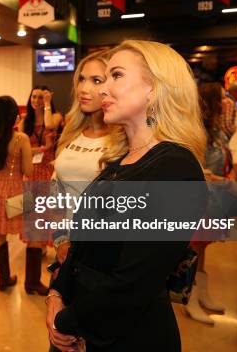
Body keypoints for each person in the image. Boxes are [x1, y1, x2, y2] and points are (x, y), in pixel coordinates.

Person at [46, 40, 207, 352]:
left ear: (155, 89)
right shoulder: (120, 162)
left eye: (115, 76)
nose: (103, 89)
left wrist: (66, 322)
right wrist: (56, 294)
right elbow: (80, 247)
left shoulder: (176, 168)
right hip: (81, 324)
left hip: (125, 338)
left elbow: (134, 281)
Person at [51, 50, 111, 272]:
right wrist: (60, 241)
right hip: (67, 249)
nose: (84, 89)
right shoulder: (70, 132)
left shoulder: (124, 139)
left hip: (104, 253)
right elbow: (55, 194)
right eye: (82, 79)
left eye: (96, 80)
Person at [183, 82, 230, 324]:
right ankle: (189, 297)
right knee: (194, 246)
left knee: (203, 247)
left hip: (214, 193)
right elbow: (194, 164)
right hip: (200, 192)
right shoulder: (196, 128)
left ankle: (202, 294)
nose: (225, 101)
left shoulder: (216, 128)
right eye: (221, 97)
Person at [0, 96, 35, 292]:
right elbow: (28, 170)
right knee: (32, 233)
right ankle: (33, 280)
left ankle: (3, 278)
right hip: (16, 193)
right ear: (14, 115)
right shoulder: (21, 138)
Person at [20, 85, 61, 291]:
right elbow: (22, 149)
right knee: (33, 225)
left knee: (45, 221)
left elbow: (49, 125)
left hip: (47, 172)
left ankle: (33, 278)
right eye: (34, 96)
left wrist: (46, 105)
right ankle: (32, 281)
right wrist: (42, 148)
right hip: (30, 174)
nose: (36, 100)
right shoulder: (24, 121)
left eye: (41, 97)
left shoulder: (54, 116)